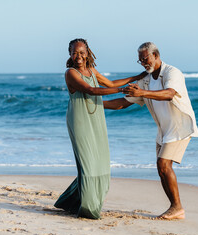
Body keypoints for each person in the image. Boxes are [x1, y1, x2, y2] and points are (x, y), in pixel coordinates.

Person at [104, 42, 198, 220]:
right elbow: (125, 102)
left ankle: (177, 208)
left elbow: (169, 93)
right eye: (140, 61)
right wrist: (97, 104)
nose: (143, 63)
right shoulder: (145, 80)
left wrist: (142, 94)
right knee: (161, 168)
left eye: (145, 59)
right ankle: (175, 207)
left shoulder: (172, 72)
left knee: (164, 165)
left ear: (156, 55)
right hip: (163, 130)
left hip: (179, 127)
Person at [54, 38, 145, 219]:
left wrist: (137, 77)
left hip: (96, 118)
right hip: (80, 120)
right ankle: (87, 208)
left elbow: (110, 84)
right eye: (74, 52)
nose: (78, 56)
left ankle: (70, 202)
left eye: (81, 52)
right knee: (88, 162)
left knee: (100, 160)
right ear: (70, 53)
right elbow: (91, 90)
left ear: (87, 52)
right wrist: (123, 90)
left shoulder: (91, 70)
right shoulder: (70, 73)